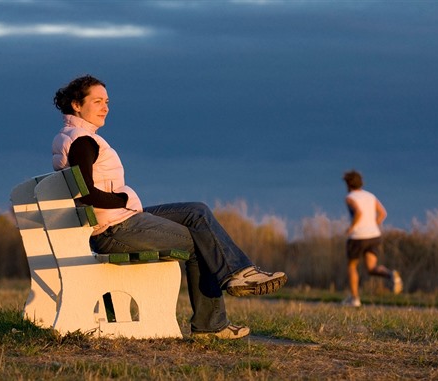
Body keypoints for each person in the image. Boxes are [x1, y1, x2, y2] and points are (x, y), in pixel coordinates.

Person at [51, 75, 287, 339]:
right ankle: (212, 323)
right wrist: (124, 199)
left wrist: (123, 203)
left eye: (107, 101)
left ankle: (241, 273)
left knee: (197, 212)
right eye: (97, 101)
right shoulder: (83, 141)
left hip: (117, 222)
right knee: (202, 242)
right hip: (114, 229)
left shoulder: (72, 137)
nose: (105, 107)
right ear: (76, 105)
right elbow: (86, 194)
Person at [341, 170, 402, 307]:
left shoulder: (350, 197)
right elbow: (382, 213)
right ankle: (391, 274)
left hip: (358, 236)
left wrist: (352, 227)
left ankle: (354, 299)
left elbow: (358, 212)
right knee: (371, 268)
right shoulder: (370, 196)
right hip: (374, 235)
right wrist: (372, 224)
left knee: (352, 266)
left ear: (348, 183)